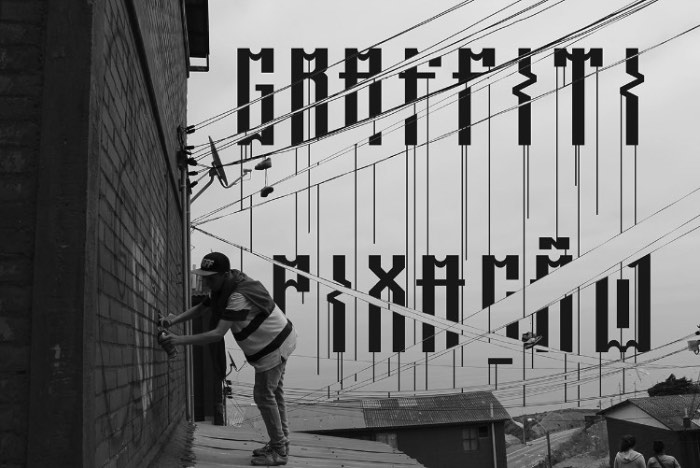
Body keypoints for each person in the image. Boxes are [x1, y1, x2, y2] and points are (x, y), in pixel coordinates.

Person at [159, 252, 296, 466]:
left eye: (210, 278)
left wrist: (177, 340)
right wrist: (174, 319)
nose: (206, 282)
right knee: (273, 393)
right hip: (280, 339)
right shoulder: (224, 287)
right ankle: (281, 444)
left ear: (224, 275)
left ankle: (279, 450)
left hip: (274, 346)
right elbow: (202, 307)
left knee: (263, 395)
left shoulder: (237, 296)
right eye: (204, 277)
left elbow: (217, 333)